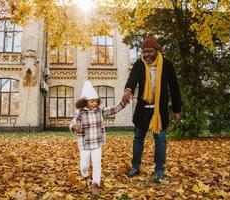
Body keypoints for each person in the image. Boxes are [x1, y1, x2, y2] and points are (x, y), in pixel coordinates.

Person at [122, 36, 181, 183]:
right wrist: (128, 90)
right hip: (143, 110)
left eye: (150, 51)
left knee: (160, 140)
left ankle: (159, 170)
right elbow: (132, 79)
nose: (147, 54)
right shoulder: (139, 64)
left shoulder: (167, 65)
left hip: (159, 111)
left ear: (157, 51)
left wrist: (176, 110)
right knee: (138, 139)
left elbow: (174, 87)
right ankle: (135, 167)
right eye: (144, 52)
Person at [69, 80, 126, 195]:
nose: (94, 104)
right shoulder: (80, 112)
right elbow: (73, 122)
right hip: (84, 144)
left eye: (95, 101)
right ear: (85, 102)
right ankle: (84, 173)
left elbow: (112, 110)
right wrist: (75, 126)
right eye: (91, 101)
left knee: (96, 163)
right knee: (84, 164)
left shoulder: (99, 111)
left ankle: (96, 183)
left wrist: (123, 103)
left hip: (97, 142)